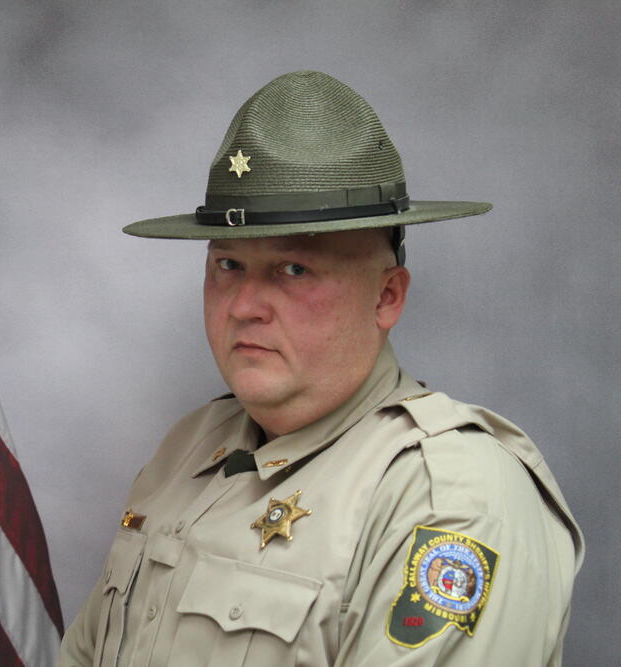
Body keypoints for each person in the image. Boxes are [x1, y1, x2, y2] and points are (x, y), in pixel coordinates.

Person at [56, 71, 584, 666]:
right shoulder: (189, 447)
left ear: (387, 297)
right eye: (228, 264)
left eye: (294, 269)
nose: (245, 306)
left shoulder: (450, 499)